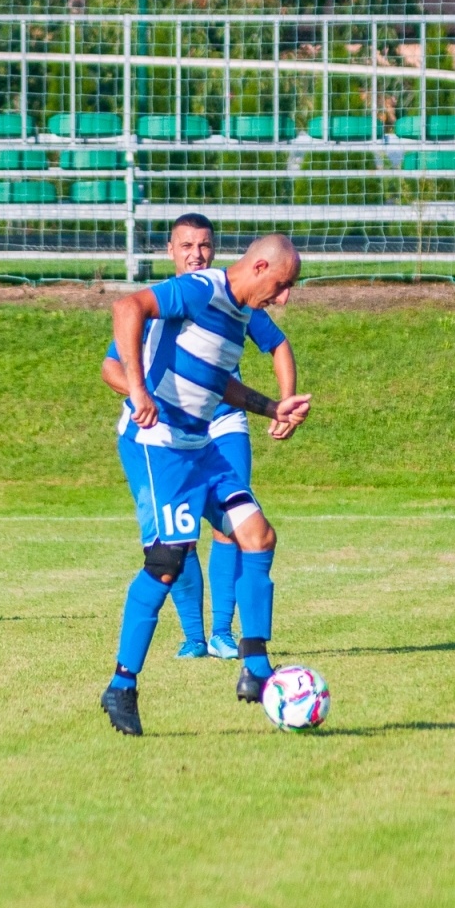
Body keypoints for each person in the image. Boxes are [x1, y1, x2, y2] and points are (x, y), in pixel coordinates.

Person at [102, 235, 312, 736]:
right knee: (166, 562)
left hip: (201, 447)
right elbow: (127, 307)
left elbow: (217, 383)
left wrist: (271, 407)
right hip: (158, 446)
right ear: (259, 267)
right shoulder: (201, 289)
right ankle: (121, 685)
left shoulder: (239, 313)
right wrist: (137, 390)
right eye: (282, 285)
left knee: (258, 535)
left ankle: (255, 667)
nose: (284, 298)